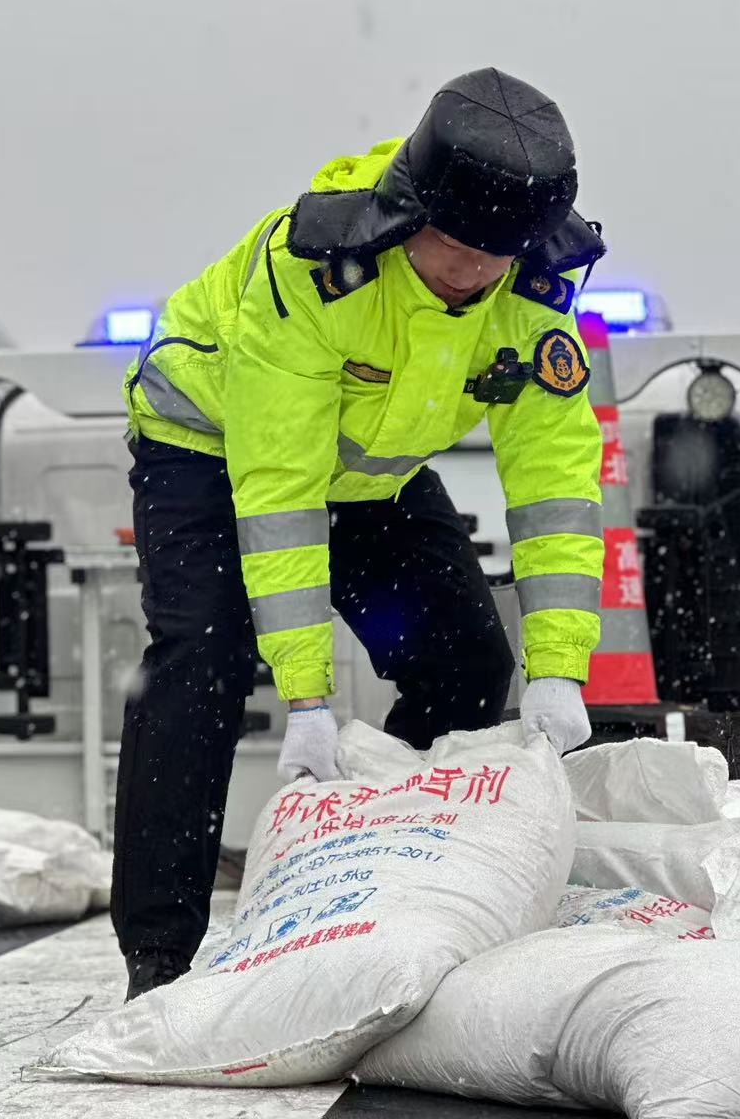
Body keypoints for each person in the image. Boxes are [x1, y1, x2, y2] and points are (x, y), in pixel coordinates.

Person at [113, 68, 607, 1000]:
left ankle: (390, 887)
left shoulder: (535, 289)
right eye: (453, 246)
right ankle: (159, 961)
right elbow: (280, 485)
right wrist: (304, 700)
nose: (471, 275)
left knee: (464, 664)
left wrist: (558, 668)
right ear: (408, 210)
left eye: (493, 256)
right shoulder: (311, 271)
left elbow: (554, 487)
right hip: (212, 451)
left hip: (371, 470)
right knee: (205, 659)